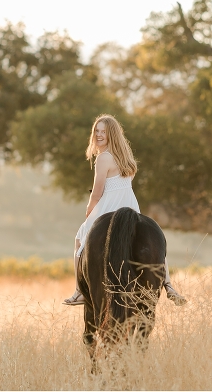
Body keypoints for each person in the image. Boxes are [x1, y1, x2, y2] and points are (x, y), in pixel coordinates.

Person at [63, 114, 186, 306]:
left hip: (109, 206)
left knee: (80, 239)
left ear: (112, 134)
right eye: (97, 131)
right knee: (155, 241)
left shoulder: (103, 158)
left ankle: (79, 290)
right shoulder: (126, 158)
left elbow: (97, 192)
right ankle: (168, 285)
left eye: (104, 131)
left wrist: (89, 210)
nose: (99, 135)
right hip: (129, 205)